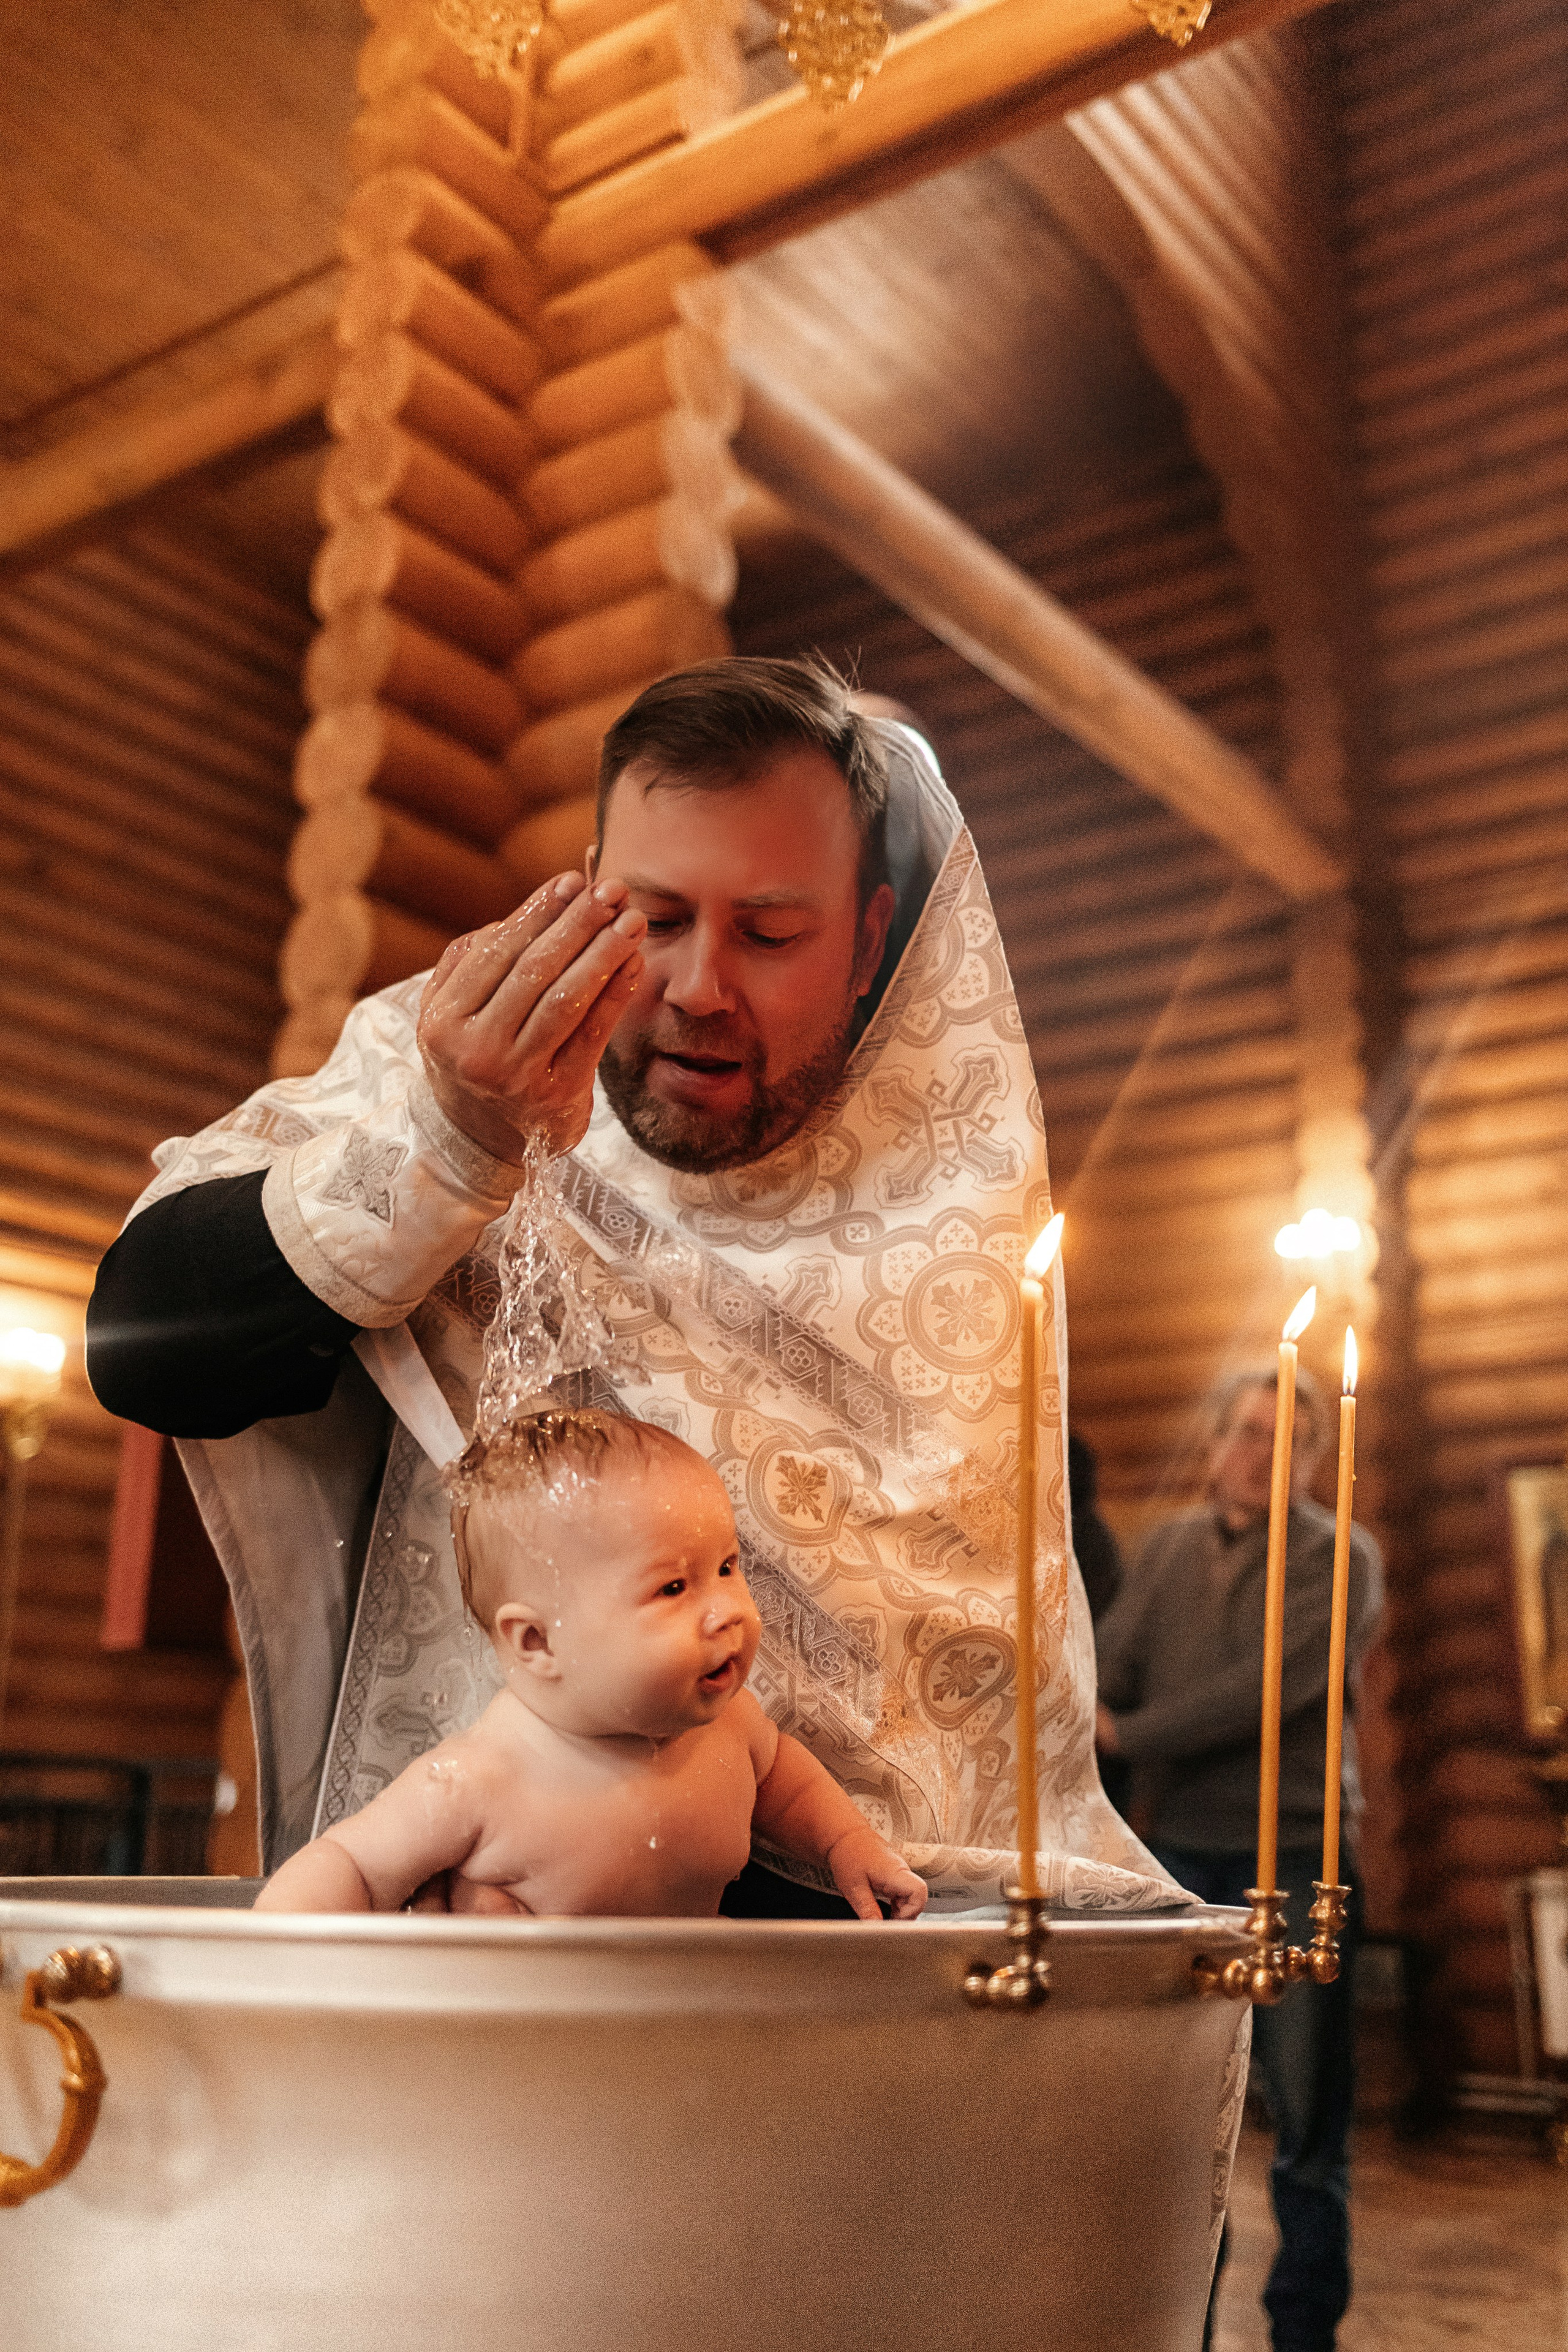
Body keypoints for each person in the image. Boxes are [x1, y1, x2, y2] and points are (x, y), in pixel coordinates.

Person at [87, 656, 1172, 1921]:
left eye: (769, 933)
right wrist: (450, 1146)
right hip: (482, 1918)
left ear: (872, 936)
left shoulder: (948, 1184)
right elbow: (143, 1346)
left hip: (869, 1939)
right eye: (653, 920)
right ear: (593, 889)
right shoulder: (457, 1063)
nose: (700, 987)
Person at [256, 1409, 925, 1920]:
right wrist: (273, 1957)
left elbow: (784, 1780)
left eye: (726, 1567)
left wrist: (846, 1845)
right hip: (536, 2051)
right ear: (537, 1643)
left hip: (680, 2035)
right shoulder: (479, 1779)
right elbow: (352, 1865)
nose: (726, 1610)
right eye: (672, 1588)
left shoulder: (729, 1729)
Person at [1093, 1365, 1384, 2352]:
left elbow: (1269, 1691)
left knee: (1305, 2128)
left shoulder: (1344, 1556)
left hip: (1298, 1857)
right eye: (1248, 1433)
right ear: (1218, 1439)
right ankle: (1184, 2332)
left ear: (1313, 1456)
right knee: (1187, 2129)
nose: (1263, 1455)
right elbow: (1115, 1659)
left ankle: (1304, 2336)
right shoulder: (1169, 1547)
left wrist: (1128, 1737)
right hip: (1177, 1857)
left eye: (1286, 1440)